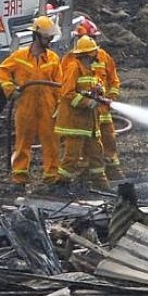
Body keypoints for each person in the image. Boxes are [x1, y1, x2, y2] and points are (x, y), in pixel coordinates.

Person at [0, 15, 63, 193]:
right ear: (36, 36)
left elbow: (59, 85)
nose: (50, 40)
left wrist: (60, 107)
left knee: (51, 143)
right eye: (47, 37)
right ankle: (19, 179)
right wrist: (10, 89)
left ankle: (52, 178)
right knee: (22, 143)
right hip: (25, 106)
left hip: (48, 107)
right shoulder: (19, 57)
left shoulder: (53, 59)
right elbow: (3, 70)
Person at [54, 35, 110, 192]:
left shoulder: (90, 69)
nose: (96, 56)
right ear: (86, 54)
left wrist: (99, 91)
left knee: (97, 153)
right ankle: (61, 184)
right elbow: (67, 93)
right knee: (72, 155)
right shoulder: (74, 67)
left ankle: (102, 184)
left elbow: (95, 86)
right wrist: (87, 102)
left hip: (90, 123)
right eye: (93, 53)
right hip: (75, 123)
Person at [76, 18, 124, 180]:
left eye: (94, 39)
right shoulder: (72, 60)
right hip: (86, 110)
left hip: (102, 109)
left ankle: (112, 169)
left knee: (109, 138)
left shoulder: (103, 56)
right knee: (84, 142)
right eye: (91, 38)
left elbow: (114, 80)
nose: (94, 43)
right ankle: (87, 171)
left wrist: (111, 97)